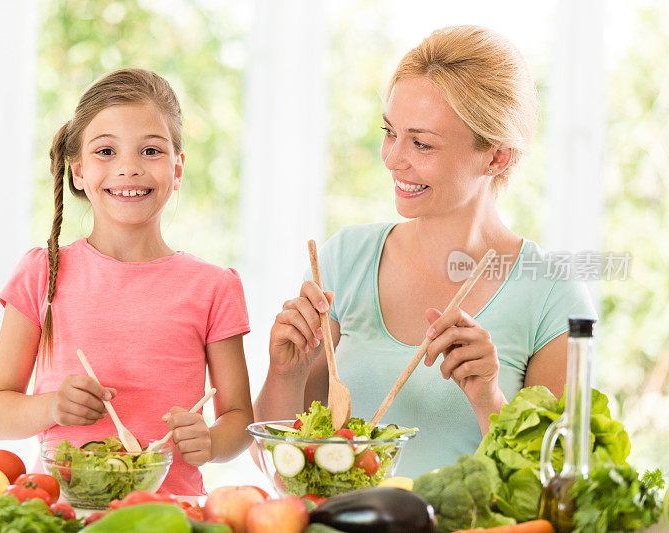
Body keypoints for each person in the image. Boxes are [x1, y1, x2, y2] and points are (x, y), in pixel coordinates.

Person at [253, 25, 596, 479]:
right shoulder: (344, 261)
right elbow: (275, 468)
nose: (393, 158)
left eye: (422, 143)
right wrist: (285, 374)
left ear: (497, 158)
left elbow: (562, 485)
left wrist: (488, 398)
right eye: (389, 132)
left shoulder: (553, 295)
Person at [0, 68, 253, 496]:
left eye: (150, 151)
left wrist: (211, 440)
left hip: (169, 513)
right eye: (106, 151)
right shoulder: (43, 273)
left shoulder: (213, 287)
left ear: (177, 169)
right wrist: (52, 405)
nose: (128, 168)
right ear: (78, 172)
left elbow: (238, 418)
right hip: (61, 510)